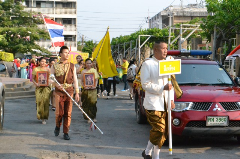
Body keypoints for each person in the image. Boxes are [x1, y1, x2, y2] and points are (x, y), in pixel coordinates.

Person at [140, 41, 175, 159]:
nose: (166, 50)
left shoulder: (168, 63)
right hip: (153, 103)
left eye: (166, 48)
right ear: (155, 50)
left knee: (164, 132)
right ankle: (147, 150)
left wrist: (171, 99)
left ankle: (155, 155)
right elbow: (145, 84)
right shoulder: (148, 64)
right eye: (163, 48)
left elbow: (171, 83)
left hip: (165, 103)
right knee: (159, 129)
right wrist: (161, 88)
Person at [50, 46, 79, 140]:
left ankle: (66, 132)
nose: (67, 54)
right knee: (59, 113)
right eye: (65, 52)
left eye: (68, 52)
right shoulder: (54, 66)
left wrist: (77, 92)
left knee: (68, 113)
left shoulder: (72, 65)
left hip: (69, 91)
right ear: (60, 54)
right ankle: (58, 126)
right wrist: (56, 84)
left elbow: (75, 79)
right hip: (59, 91)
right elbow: (50, 79)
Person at [32, 57, 51, 125]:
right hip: (39, 88)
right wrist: (36, 84)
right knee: (39, 102)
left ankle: (44, 118)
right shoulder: (36, 69)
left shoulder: (48, 70)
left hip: (46, 88)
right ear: (39, 62)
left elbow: (51, 78)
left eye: (45, 62)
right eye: (42, 61)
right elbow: (33, 79)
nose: (43, 63)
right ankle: (40, 115)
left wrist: (49, 83)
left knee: (46, 102)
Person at [81, 58, 99, 123]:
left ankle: (93, 117)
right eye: (87, 63)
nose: (89, 64)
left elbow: (96, 80)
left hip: (93, 90)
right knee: (86, 103)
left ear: (92, 64)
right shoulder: (83, 71)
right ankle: (88, 117)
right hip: (86, 90)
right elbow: (82, 81)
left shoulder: (94, 70)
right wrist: (84, 86)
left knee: (93, 103)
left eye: (90, 63)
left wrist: (94, 86)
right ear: (85, 64)